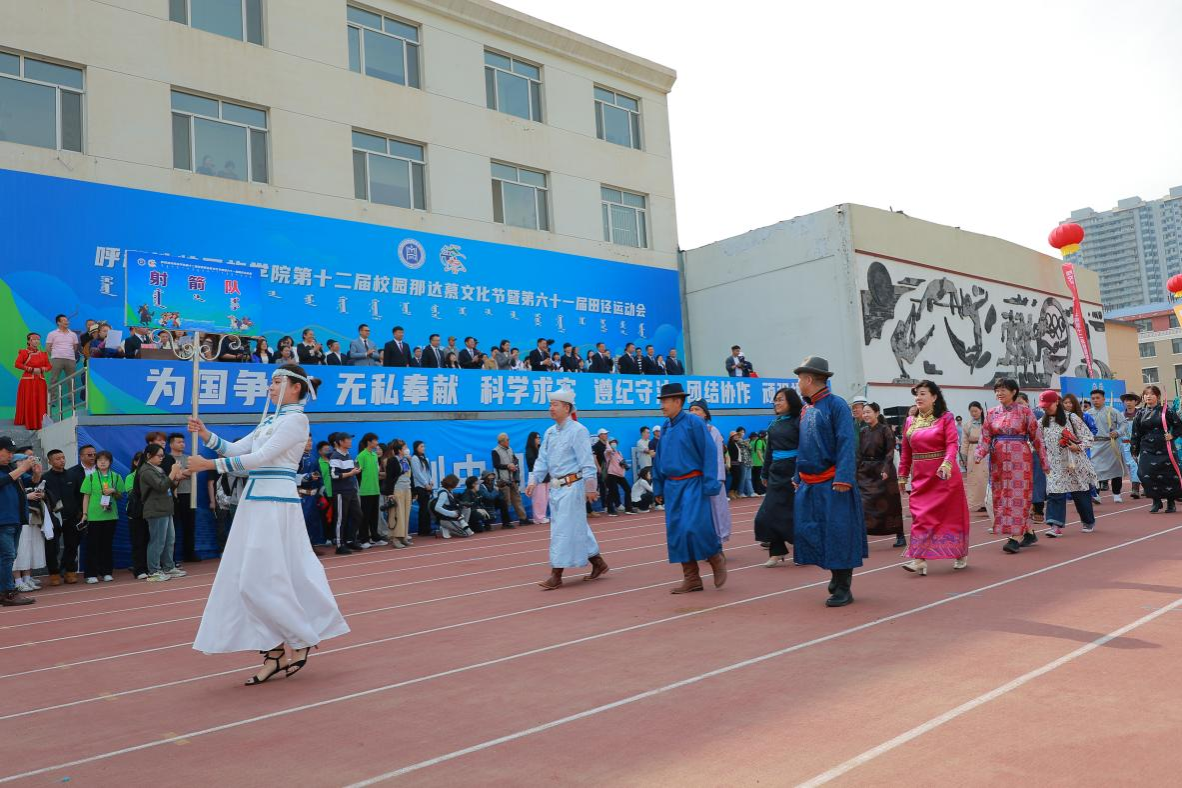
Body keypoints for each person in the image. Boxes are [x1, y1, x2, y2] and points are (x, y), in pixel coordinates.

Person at [186, 365, 349, 683]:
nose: (270, 387)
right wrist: (206, 435)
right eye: (270, 382)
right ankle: (273, 652)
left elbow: (259, 459)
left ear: (296, 387)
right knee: (243, 579)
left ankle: (300, 639)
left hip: (275, 503)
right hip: (255, 502)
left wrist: (208, 464)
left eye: (276, 382)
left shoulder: (296, 420)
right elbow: (238, 450)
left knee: (259, 580)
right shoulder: (271, 420)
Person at [791, 357, 867, 606]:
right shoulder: (806, 409)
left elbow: (846, 441)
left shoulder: (837, 405)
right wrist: (797, 475)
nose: (798, 384)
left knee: (839, 534)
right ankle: (836, 578)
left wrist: (844, 477)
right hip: (810, 483)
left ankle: (843, 587)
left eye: (799, 379)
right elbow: (803, 446)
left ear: (809, 379)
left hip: (833, 481)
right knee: (813, 531)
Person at [525, 385, 608, 589]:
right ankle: (598, 562)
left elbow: (587, 461)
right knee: (576, 527)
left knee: (561, 530)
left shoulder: (578, 431)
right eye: (550, 405)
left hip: (573, 486)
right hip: (556, 488)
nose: (551, 408)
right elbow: (542, 460)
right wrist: (533, 480)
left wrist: (590, 487)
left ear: (567, 407)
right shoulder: (550, 432)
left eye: (555, 405)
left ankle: (556, 574)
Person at [652, 382, 725, 594]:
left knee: (695, 526)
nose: (662, 406)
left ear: (678, 401)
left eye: (665, 401)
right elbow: (660, 458)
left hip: (693, 482)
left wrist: (710, 483)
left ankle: (715, 557)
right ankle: (692, 578)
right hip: (672, 486)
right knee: (677, 532)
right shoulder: (665, 426)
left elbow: (709, 453)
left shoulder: (694, 423)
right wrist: (658, 486)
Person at [897, 383, 969, 574]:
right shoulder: (910, 421)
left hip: (943, 475)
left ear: (934, 397)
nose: (918, 398)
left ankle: (959, 552)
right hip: (921, 477)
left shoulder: (946, 418)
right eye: (916, 394)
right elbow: (906, 452)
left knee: (950, 516)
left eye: (923, 394)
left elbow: (952, 443)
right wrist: (902, 475)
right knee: (920, 515)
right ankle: (919, 558)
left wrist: (947, 463)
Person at [975, 378, 1048, 554]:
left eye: (1003, 390)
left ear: (1014, 392)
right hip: (998, 461)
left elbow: (1037, 437)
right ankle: (1028, 532)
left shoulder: (1025, 412)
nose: (999, 393)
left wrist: (1044, 461)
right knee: (1002, 497)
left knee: (1018, 496)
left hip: (1020, 460)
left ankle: (1015, 538)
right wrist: (979, 453)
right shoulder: (992, 413)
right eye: (997, 390)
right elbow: (985, 436)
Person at [1039, 390, 1098, 536]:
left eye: (1048, 405)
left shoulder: (1071, 417)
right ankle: (1055, 525)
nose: (1045, 408)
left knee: (1080, 494)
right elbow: (1037, 442)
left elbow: (1088, 437)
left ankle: (1088, 521)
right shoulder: (1041, 423)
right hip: (1055, 465)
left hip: (1075, 463)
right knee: (1055, 493)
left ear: (1056, 402)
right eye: (1043, 406)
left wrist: (1078, 446)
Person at [755, 387, 801, 567]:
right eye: (775, 400)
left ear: (791, 401)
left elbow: (805, 448)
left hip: (794, 471)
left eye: (781, 399)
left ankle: (803, 549)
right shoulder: (774, 424)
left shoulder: (799, 421)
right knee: (768, 514)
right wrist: (764, 472)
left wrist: (799, 473)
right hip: (776, 472)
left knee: (795, 513)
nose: (777, 403)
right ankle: (776, 551)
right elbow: (769, 450)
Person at [858, 402, 907, 549]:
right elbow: (859, 453)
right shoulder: (863, 431)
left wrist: (885, 469)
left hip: (883, 471)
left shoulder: (886, 430)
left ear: (877, 413)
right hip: (865, 472)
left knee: (891, 505)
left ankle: (900, 535)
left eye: (868, 412)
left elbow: (890, 452)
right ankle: (861, 536)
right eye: (864, 412)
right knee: (863, 505)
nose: (865, 415)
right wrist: (856, 470)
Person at [136, 443, 187, 582]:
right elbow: (161, 486)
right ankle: (154, 571)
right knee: (157, 541)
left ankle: (168, 567)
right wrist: (173, 472)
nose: (161, 458)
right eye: (159, 455)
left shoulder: (158, 469)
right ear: (148, 455)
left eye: (162, 456)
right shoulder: (146, 471)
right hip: (156, 509)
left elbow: (168, 486)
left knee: (169, 540)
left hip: (166, 508)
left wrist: (176, 478)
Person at [1130, 384, 1182, 514]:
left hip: (1165, 447)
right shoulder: (1140, 413)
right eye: (1146, 394)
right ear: (1143, 397)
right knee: (1144, 473)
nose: (1148, 396)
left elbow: (1179, 426)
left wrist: (1172, 435)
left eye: (1152, 394)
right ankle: (1156, 500)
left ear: (1158, 397)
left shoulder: (1166, 411)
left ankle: (1171, 502)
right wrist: (1134, 449)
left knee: (1169, 475)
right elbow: (1135, 433)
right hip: (1147, 448)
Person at [0, 439, 38, 606]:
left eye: (12, 452)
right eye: (7, 451)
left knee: (9, 556)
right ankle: (8, 592)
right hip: (3, 520)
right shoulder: (13, 470)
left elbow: (31, 482)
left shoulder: (10, 468)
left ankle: (5, 591)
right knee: (7, 556)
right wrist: (22, 468)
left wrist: (36, 473)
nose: (11, 455)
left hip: (14, 519)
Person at [689, 399, 732, 546]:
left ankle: (717, 544)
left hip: (711, 478)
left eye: (697, 409)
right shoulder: (687, 431)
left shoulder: (712, 431)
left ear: (705, 414)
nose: (693, 412)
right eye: (691, 410)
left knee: (716, 511)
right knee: (698, 513)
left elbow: (718, 458)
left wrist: (717, 479)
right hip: (693, 479)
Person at [79, 450, 123, 583]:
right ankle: (91, 574)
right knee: (92, 546)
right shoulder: (91, 477)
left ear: (110, 462)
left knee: (107, 545)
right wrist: (85, 514)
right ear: (96, 462)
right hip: (94, 516)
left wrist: (113, 490)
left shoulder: (116, 477)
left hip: (111, 516)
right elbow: (86, 497)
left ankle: (106, 572)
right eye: (99, 460)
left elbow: (120, 496)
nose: (102, 462)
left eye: (105, 460)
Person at [328, 432, 365, 553]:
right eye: (348, 439)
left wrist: (355, 470)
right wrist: (350, 473)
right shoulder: (335, 456)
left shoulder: (348, 455)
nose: (350, 441)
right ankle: (339, 545)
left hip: (351, 490)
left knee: (358, 515)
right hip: (340, 492)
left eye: (350, 439)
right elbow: (334, 475)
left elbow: (351, 471)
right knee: (341, 519)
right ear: (340, 442)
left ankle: (350, 540)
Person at [167, 433, 200, 564]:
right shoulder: (167, 459)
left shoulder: (189, 458)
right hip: (172, 495)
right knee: (172, 527)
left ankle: (189, 554)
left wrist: (179, 473)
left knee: (189, 526)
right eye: (179, 442)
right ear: (171, 444)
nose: (182, 444)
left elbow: (194, 470)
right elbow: (169, 476)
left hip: (188, 495)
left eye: (183, 442)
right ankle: (171, 558)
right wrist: (184, 473)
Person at [1088, 390, 1127, 503]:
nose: (1095, 400)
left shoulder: (1112, 411)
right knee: (1094, 471)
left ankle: (1117, 494)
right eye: (1093, 398)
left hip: (1111, 444)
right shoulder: (1088, 414)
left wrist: (1118, 432)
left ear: (1104, 399)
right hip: (1095, 446)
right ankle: (1095, 494)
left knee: (1116, 471)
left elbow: (1124, 423)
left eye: (1098, 398)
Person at [491, 433, 531, 525]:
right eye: (507, 440)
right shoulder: (495, 451)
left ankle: (523, 519)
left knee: (517, 499)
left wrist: (513, 464)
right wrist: (508, 466)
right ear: (502, 441)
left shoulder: (510, 449)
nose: (509, 441)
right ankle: (506, 522)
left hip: (512, 478)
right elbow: (496, 465)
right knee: (506, 502)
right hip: (503, 480)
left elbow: (515, 459)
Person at [380, 439, 413, 548]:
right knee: (397, 514)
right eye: (405, 448)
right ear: (399, 450)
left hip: (407, 489)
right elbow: (389, 478)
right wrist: (390, 493)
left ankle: (403, 536)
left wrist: (413, 491)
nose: (407, 449)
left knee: (406, 514)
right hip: (397, 490)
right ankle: (395, 538)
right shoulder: (392, 460)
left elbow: (411, 476)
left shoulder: (406, 460)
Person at [15, 332, 50, 430]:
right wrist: (31, 369)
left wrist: (42, 369)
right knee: (29, 401)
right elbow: (17, 364)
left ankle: (40, 422)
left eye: (38, 339)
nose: (36, 341)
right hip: (28, 382)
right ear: (29, 341)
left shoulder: (43, 354)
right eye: (34, 339)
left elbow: (49, 366)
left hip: (40, 381)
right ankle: (30, 422)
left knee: (40, 401)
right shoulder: (24, 352)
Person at [356, 432, 386, 547]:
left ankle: (375, 537)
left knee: (374, 516)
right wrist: (363, 485)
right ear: (369, 442)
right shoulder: (361, 456)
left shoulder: (374, 455)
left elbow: (376, 472)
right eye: (375, 441)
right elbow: (357, 474)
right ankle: (364, 539)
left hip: (375, 489)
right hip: (365, 491)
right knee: (365, 516)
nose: (377, 443)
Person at [961, 402, 988, 512]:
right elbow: (964, 442)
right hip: (973, 453)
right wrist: (963, 457)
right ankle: (978, 503)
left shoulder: (987, 423)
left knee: (986, 477)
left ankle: (988, 501)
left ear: (981, 410)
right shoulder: (967, 425)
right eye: (971, 411)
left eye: (975, 411)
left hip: (986, 452)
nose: (974, 413)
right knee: (974, 479)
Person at [46, 314, 80, 395]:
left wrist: (68, 354)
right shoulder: (52, 334)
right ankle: (52, 400)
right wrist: (55, 356)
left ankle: (71, 399)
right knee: (54, 380)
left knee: (71, 380)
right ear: (58, 323)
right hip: (56, 359)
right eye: (64, 320)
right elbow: (48, 347)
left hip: (70, 359)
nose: (67, 322)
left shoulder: (73, 334)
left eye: (67, 320)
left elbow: (75, 347)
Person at [603, 437, 635, 516]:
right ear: (609, 444)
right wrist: (607, 442)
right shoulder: (607, 453)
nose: (614, 444)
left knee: (628, 489)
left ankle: (628, 509)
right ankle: (610, 510)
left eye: (615, 442)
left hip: (620, 475)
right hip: (611, 474)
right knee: (612, 492)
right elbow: (609, 450)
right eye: (612, 442)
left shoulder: (619, 453)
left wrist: (624, 465)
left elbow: (621, 462)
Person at [1119, 393, 1142, 498]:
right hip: (1125, 444)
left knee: (1137, 465)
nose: (1128, 402)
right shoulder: (1120, 415)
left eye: (1131, 400)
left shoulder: (1141, 413)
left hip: (1140, 444)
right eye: (1126, 400)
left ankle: (1135, 489)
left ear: (1136, 402)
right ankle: (1144, 486)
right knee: (1131, 466)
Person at [524, 431, 549, 524]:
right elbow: (533, 463)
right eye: (537, 438)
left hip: (545, 475)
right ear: (532, 439)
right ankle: (538, 517)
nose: (539, 439)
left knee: (545, 497)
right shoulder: (529, 450)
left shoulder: (541, 449)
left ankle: (542, 515)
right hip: (535, 475)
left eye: (539, 438)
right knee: (539, 497)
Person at [410, 440, 434, 537]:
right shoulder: (414, 458)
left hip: (427, 486)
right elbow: (417, 474)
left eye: (424, 446)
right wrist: (425, 484)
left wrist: (431, 481)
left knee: (427, 508)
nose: (423, 448)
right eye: (421, 446)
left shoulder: (425, 458)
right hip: (420, 487)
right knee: (423, 508)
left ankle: (427, 529)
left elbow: (427, 472)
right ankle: (422, 530)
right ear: (416, 448)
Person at [750, 430, 766, 496]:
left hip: (753, 463)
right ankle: (760, 492)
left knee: (755, 478)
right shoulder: (759, 441)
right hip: (759, 462)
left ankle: (756, 491)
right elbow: (759, 452)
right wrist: (763, 461)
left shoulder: (752, 441)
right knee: (759, 478)